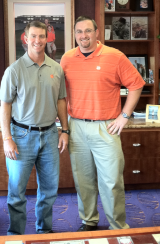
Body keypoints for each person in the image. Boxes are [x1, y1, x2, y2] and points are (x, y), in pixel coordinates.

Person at [60, 16, 145, 232]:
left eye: (88, 31)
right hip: (76, 126)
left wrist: (124, 116)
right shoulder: (67, 58)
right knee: (83, 180)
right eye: (79, 31)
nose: (83, 36)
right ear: (75, 34)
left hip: (106, 127)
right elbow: (61, 93)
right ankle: (89, 220)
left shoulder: (114, 56)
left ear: (97, 32)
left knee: (111, 182)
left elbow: (136, 85)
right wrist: (64, 125)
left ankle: (117, 225)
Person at [0, 21, 69, 235]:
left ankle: (44, 231)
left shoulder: (56, 68)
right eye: (33, 36)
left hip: (49, 135)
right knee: (17, 192)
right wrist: (7, 138)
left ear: (47, 38)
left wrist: (64, 130)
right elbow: (5, 105)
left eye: (41, 36)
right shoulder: (14, 70)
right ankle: (16, 234)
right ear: (26, 38)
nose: (37, 40)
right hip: (21, 136)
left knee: (48, 190)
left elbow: (61, 101)